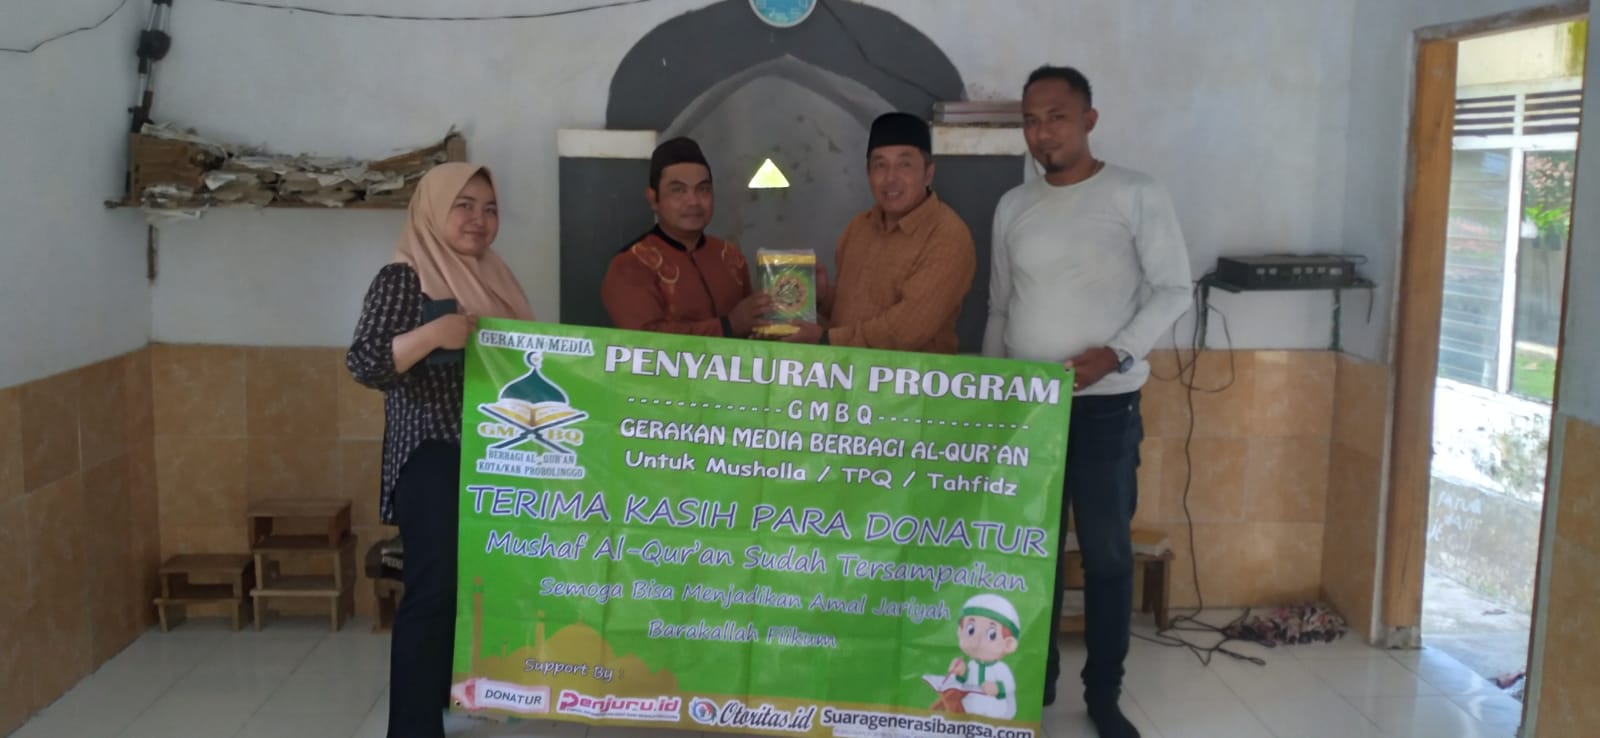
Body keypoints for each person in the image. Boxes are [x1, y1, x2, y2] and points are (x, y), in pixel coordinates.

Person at [983, 66, 1191, 738]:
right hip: (1029, 410)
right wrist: (995, 393)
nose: (1043, 132)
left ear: (1088, 121)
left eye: (1057, 117)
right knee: (1032, 553)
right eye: (1031, 120)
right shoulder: (1013, 206)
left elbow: (1173, 288)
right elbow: (999, 307)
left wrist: (1117, 353)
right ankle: (1034, 681)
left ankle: (1103, 694)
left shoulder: (1135, 193)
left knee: (1105, 556)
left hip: (1105, 409)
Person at [346, 163, 534, 738]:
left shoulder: (494, 276)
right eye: (464, 205)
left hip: (492, 456)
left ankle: (445, 707)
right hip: (433, 457)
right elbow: (364, 361)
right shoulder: (405, 277)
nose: (479, 219)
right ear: (432, 209)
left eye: (490, 208)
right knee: (432, 594)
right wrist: (433, 334)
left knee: (466, 592)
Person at [781, 112, 975, 353]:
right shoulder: (858, 228)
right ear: (868, 173)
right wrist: (821, 297)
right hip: (846, 373)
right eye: (880, 165)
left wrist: (826, 340)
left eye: (904, 165)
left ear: (928, 174)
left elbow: (906, 330)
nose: (890, 178)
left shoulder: (947, 235)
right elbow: (850, 316)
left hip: (911, 377)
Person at [602, 137, 771, 337]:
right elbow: (646, 341)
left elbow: (750, 328)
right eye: (678, 190)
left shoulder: (729, 256)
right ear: (653, 199)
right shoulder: (631, 264)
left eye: (703, 189)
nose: (693, 201)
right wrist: (727, 326)